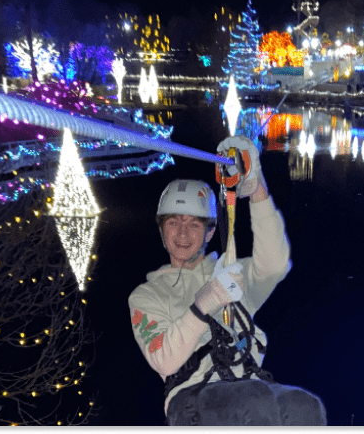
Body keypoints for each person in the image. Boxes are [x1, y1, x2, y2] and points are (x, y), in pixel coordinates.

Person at [128, 135, 327, 426]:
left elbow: (274, 264)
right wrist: (204, 303)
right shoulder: (146, 295)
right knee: (253, 399)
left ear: (209, 233)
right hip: (190, 399)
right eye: (173, 223)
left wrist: (256, 190)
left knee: (304, 406)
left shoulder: (229, 272)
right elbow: (165, 360)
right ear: (162, 231)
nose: (182, 234)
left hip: (246, 382)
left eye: (194, 224)